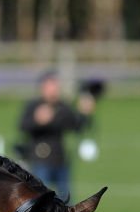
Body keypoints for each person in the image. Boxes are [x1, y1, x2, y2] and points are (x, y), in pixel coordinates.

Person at [17, 69, 96, 203]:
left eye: (56, 86)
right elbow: (23, 126)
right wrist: (38, 120)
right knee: (41, 201)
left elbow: (77, 126)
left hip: (60, 161)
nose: (54, 90)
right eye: (51, 86)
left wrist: (85, 113)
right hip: (40, 161)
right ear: (43, 87)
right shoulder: (34, 106)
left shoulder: (62, 107)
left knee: (66, 201)